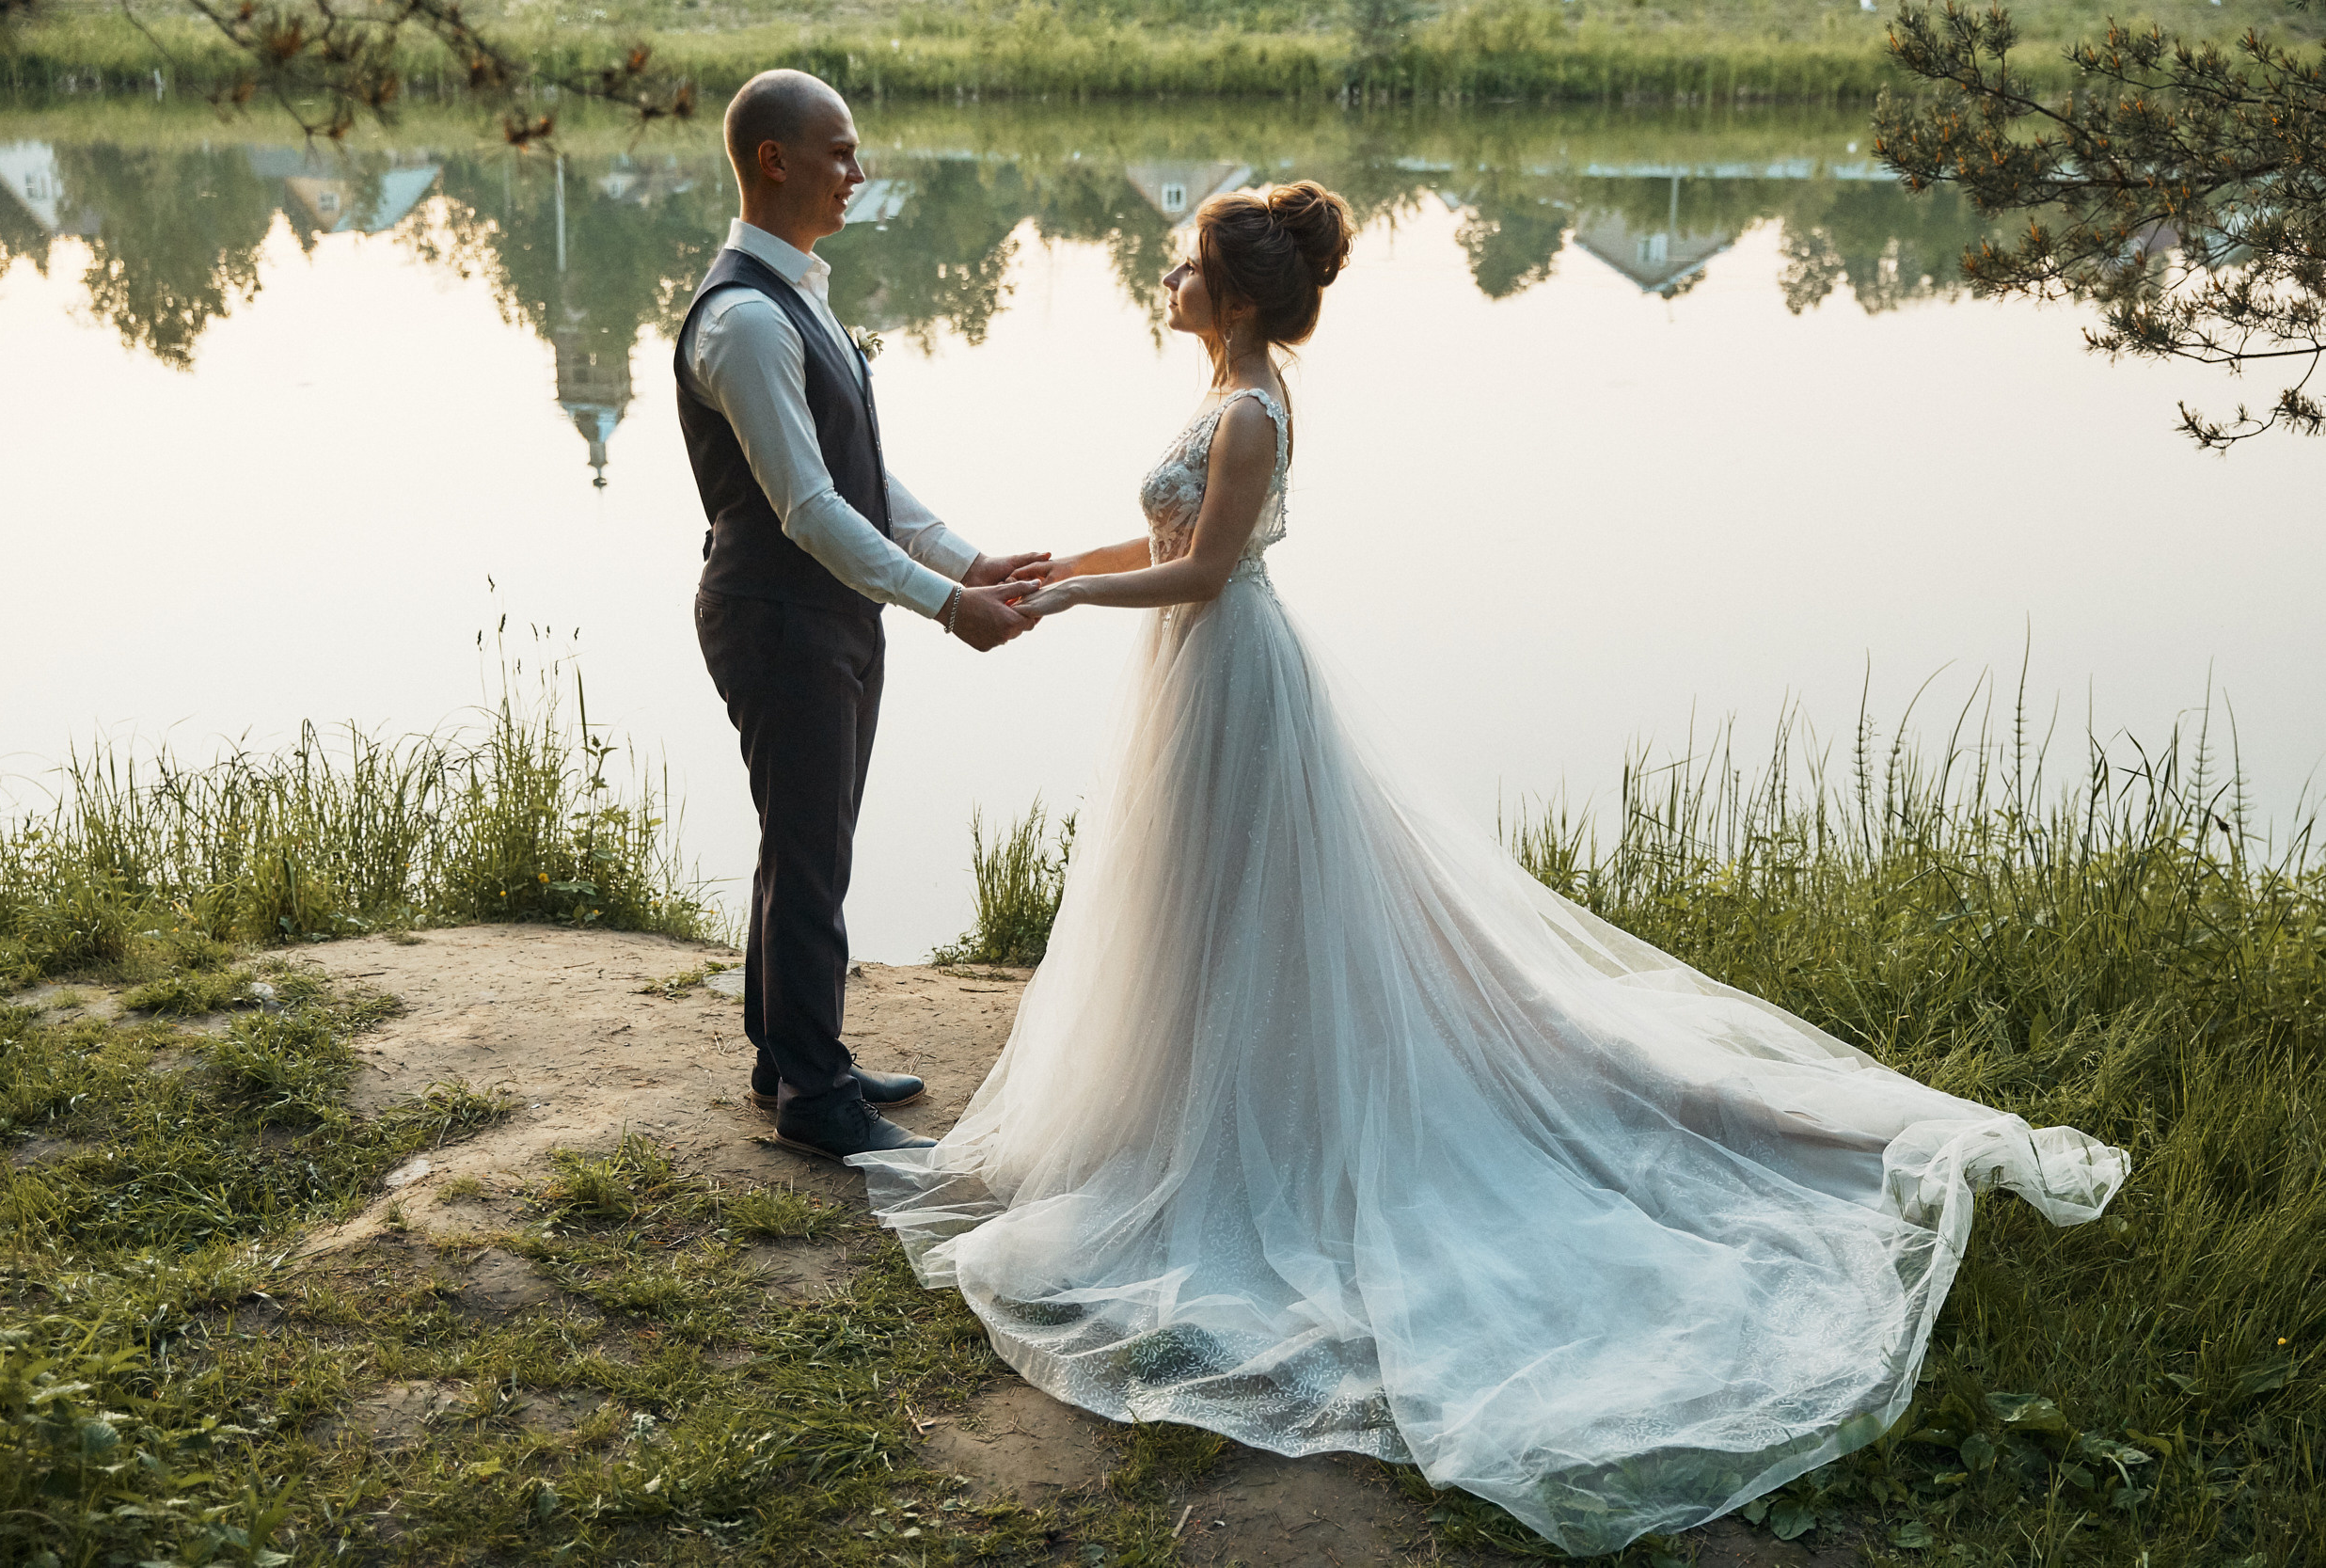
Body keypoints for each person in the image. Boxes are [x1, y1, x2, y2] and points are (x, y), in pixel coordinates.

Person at [852, 181, 2131, 1551]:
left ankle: (1253, 1127)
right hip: (1190, 677)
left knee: (1245, 906)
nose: (1165, 275)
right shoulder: (1226, 390)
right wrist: (1052, 561)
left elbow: (1209, 569)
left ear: (1229, 293)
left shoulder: (1248, 407)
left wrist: (1066, 600)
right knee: (1194, 912)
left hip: (1230, 672)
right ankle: (1178, 1103)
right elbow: (1166, 535)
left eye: (1183, 263)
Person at [677, 70, 1046, 1161]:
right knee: (809, 848)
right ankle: (814, 1097)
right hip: (776, 612)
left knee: (807, 841)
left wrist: (969, 558)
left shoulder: (796, 296)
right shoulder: (743, 318)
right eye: (839, 151)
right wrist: (946, 604)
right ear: (774, 160)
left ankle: (788, 1054)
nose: (858, 170)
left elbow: (863, 481)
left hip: (824, 612)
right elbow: (807, 507)